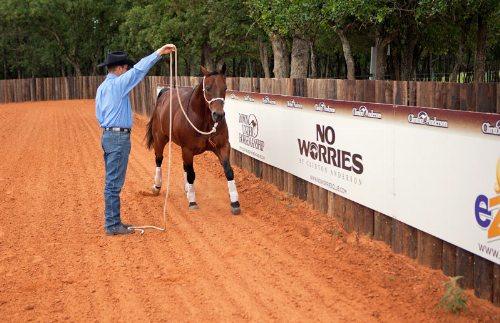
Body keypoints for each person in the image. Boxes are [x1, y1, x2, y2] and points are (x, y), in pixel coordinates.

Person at [96, 44, 176, 236]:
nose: (128, 71)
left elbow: (100, 114)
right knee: (114, 184)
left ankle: (114, 222)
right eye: (126, 69)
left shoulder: (102, 87)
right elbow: (140, 69)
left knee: (112, 182)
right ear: (120, 69)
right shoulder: (118, 84)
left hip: (108, 136)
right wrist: (158, 53)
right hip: (118, 137)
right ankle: (112, 225)